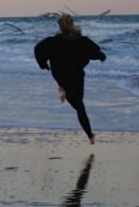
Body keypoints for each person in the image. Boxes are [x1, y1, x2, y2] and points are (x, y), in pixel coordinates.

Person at [34, 13, 106, 144]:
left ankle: (62, 90)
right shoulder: (81, 41)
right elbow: (95, 51)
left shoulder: (52, 42)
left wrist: (42, 64)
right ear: (72, 24)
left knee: (78, 104)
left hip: (61, 76)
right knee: (79, 104)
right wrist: (100, 56)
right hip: (75, 76)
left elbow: (38, 49)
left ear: (60, 26)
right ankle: (90, 136)